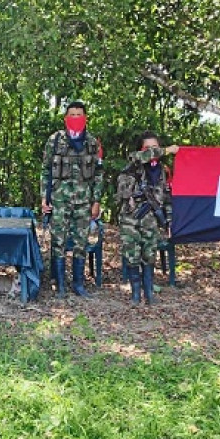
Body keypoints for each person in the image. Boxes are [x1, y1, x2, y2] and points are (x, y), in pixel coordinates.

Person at [40, 100, 103, 297]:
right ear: (66, 118)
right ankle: (59, 285)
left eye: (79, 115)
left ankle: (78, 284)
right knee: (58, 241)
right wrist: (44, 197)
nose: (75, 118)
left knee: (81, 242)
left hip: (84, 202)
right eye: (72, 115)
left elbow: (99, 174)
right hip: (59, 200)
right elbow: (45, 170)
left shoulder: (92, 143)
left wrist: (96, 201)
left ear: (85, 117)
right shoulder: (55, 140)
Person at [116, 131, 178, 305]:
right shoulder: (134, 162)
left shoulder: (163, 172)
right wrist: (166, 150)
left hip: (150, 219)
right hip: (130, 218)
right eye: (147, 148)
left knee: (150, 255)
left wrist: (169, 222)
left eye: (155, 147)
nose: (152, 151)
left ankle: (149, 292)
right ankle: (136, 294)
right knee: (131, 255)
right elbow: (140, 157)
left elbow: (167, 199)